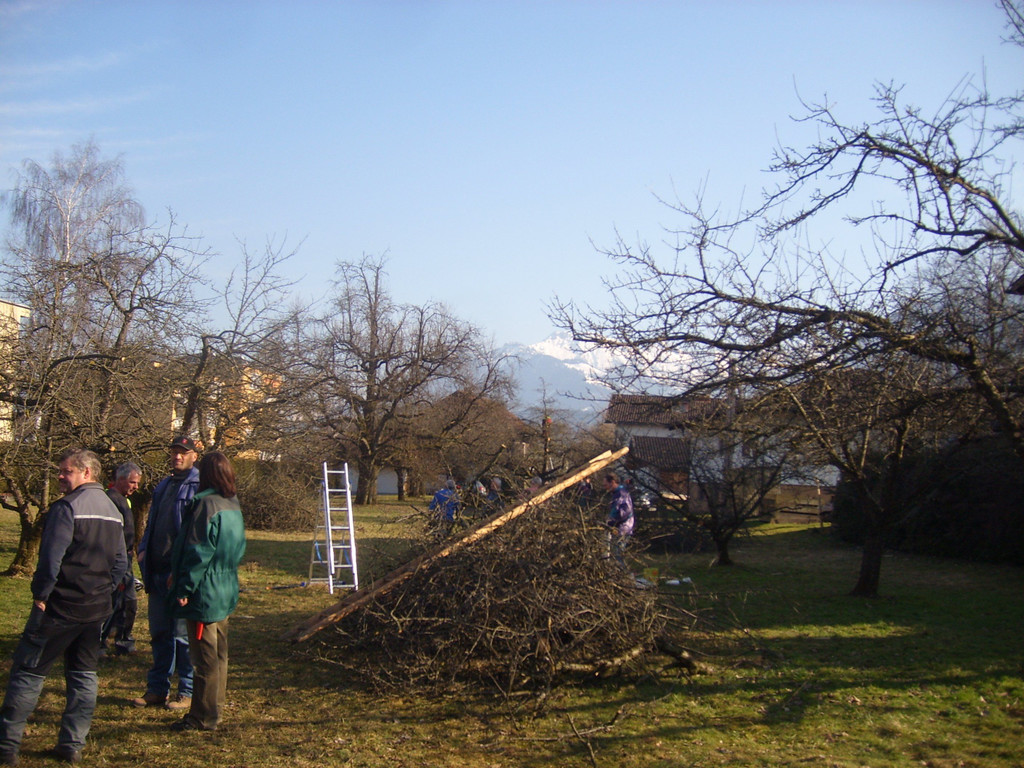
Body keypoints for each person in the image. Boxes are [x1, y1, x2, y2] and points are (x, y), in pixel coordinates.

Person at [0, 449, 127, 765]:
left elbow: (50, 560)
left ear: (87, 472)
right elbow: (121, 563)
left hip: (58, 607)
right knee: (84, 676)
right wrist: (102, 591)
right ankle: (72, 745)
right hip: (95, 609)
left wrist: (41, 595)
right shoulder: (113, 510)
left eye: (66, 471)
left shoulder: (67, 507)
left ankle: (7, 746)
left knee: (28, 673)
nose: (60, 476)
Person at [168, 451, 246, 732]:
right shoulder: (232, 503)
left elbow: (198, 551)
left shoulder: (205, 505)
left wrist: (184, 587)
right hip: (225, 586)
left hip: (205, 590)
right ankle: (214, 709)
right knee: (219, 655)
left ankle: (202, 717)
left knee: (204, 659)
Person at [131, 436, 199, 710]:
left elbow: (195, 535)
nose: (177, 457)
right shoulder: (163, 485)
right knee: (160, 634)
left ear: (194, 456)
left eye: (183, 452)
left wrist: (182, 571)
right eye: (174, 452)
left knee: (182, 637)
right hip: (156, 572)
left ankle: (187, 691)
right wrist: (143, 550)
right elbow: (151, 523)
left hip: (178, 575)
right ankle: (157, 689)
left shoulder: (198, 487)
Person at [101, 462, 142, 656]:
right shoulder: (110, 500)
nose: (136, 487)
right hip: (115, 560)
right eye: (133, 482)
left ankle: (122, 640)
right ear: (121, 479)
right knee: (114, 601)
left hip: (126, 558)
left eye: (138, 483)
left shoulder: (125, 500)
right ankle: (101, 642)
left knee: (127, 602)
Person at [603, 472, 635, 568]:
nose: (605, 488)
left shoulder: (621, 494)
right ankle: (622, 573)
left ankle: (624, 574)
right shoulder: (618, 493)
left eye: (606, 485)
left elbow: (625, 511)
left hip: (623, 528)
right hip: (621, 528)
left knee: (618, 555)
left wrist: (611, 521)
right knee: (616, 554)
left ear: (612, 482)